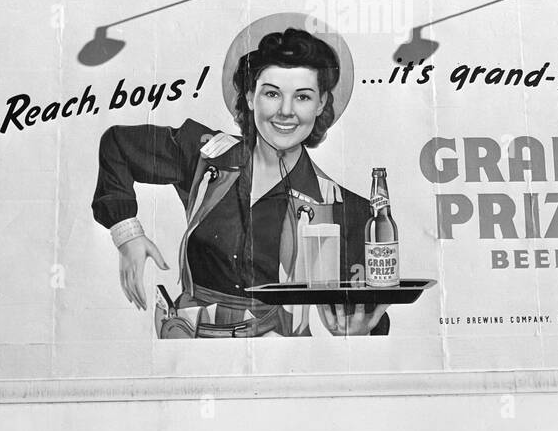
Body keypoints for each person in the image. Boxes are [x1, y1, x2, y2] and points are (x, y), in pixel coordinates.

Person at [91, 20, 390, 337]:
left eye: (302, 97)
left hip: (276, 359)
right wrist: (127, 235)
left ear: (322, 103)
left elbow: (368, 312)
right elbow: (118, 146)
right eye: (272, 93)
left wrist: (357, 335)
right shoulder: (204, 155)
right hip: (186, 343)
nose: (285, 111)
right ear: (250, 97)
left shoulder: (347, 210)